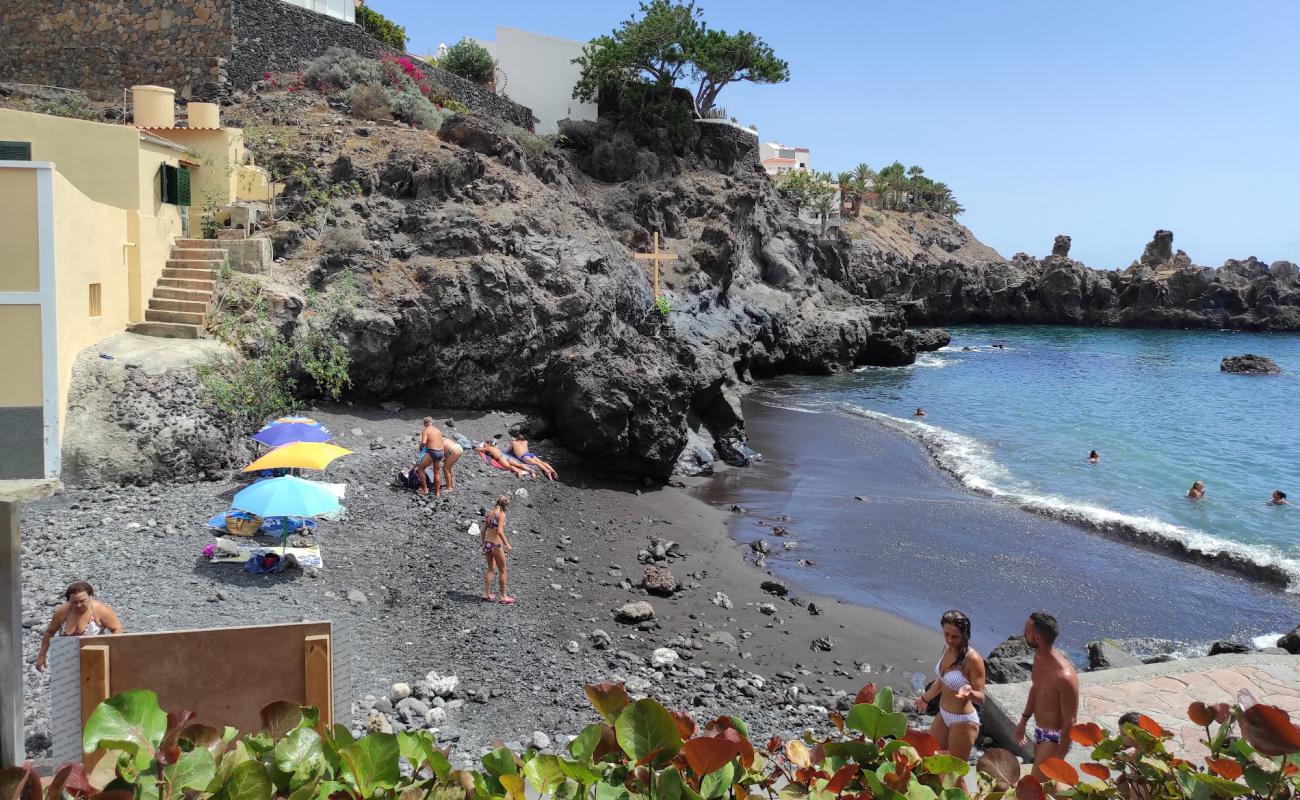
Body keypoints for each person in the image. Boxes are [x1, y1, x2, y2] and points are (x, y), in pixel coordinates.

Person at [912, 610, 986, 761]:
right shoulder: (947, 649)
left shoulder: (973, 659)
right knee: (929, 760)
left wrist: (969, 692)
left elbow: (981, 698)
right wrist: (924, 699)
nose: (950, 640)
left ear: (965, 634)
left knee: (954, 774)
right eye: (946, 635)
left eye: (955, 636)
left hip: (963, 721)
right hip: (943, 715)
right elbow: (941, 681)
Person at [1014, 611, 1080, 779]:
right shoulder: (1038, 659)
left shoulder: (1064, 677)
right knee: (1049, 787)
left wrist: (1060, 758)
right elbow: (1036, 689)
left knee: (1035, 786)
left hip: (1055, 738)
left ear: (1037, 638)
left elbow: (1070, 722)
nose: (1023, 632)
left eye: (1027, 630)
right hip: (1040, 731)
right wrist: (1023, 721)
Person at [35, 582, 123, 671]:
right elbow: (50, 632)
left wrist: (113, 652)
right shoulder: (63, 612)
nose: (78, 605)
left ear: (90, 597)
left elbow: (117, 628)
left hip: (95, 660)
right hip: (66, 662)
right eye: (74, 602)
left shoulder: (99, 609)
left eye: (82, 601)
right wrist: (42, 655)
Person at [481, 495, 514, 605]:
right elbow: (499, 531)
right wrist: (507, 544)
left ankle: (486, 594)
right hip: (496, 544)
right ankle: (503, 596)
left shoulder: (490, 513)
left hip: (487, 543)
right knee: (503, 570)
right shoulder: (501, 515)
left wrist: (483, 543)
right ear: (505, 505)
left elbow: (483, 530)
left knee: (490, 568)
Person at [415, 418, 445, 496]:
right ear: (431, 422)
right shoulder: (438, 430)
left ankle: (425, 489)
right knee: (437, 472)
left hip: (433, 452)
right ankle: (437, 493)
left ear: (425, 424)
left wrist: (420, 447)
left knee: (420, 469)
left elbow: (424, 442)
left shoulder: (426, 430)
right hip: (441, 452)